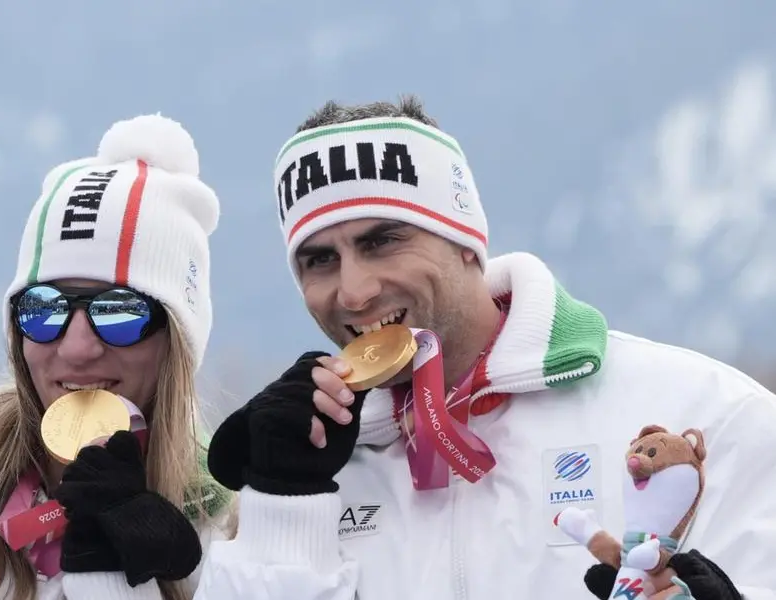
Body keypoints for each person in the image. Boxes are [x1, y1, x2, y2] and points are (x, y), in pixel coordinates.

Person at [194, 96, 776, 599]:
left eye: (383, 241)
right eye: (319, 260)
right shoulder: (314, 461)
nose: (354, 290)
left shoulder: (707, 410)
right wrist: (284, 503)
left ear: (466, 242)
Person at [0, 113, 234, 600]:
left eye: (119, 312)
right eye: (44, 310)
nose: (77, 348)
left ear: (177, 340)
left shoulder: (230, 537)